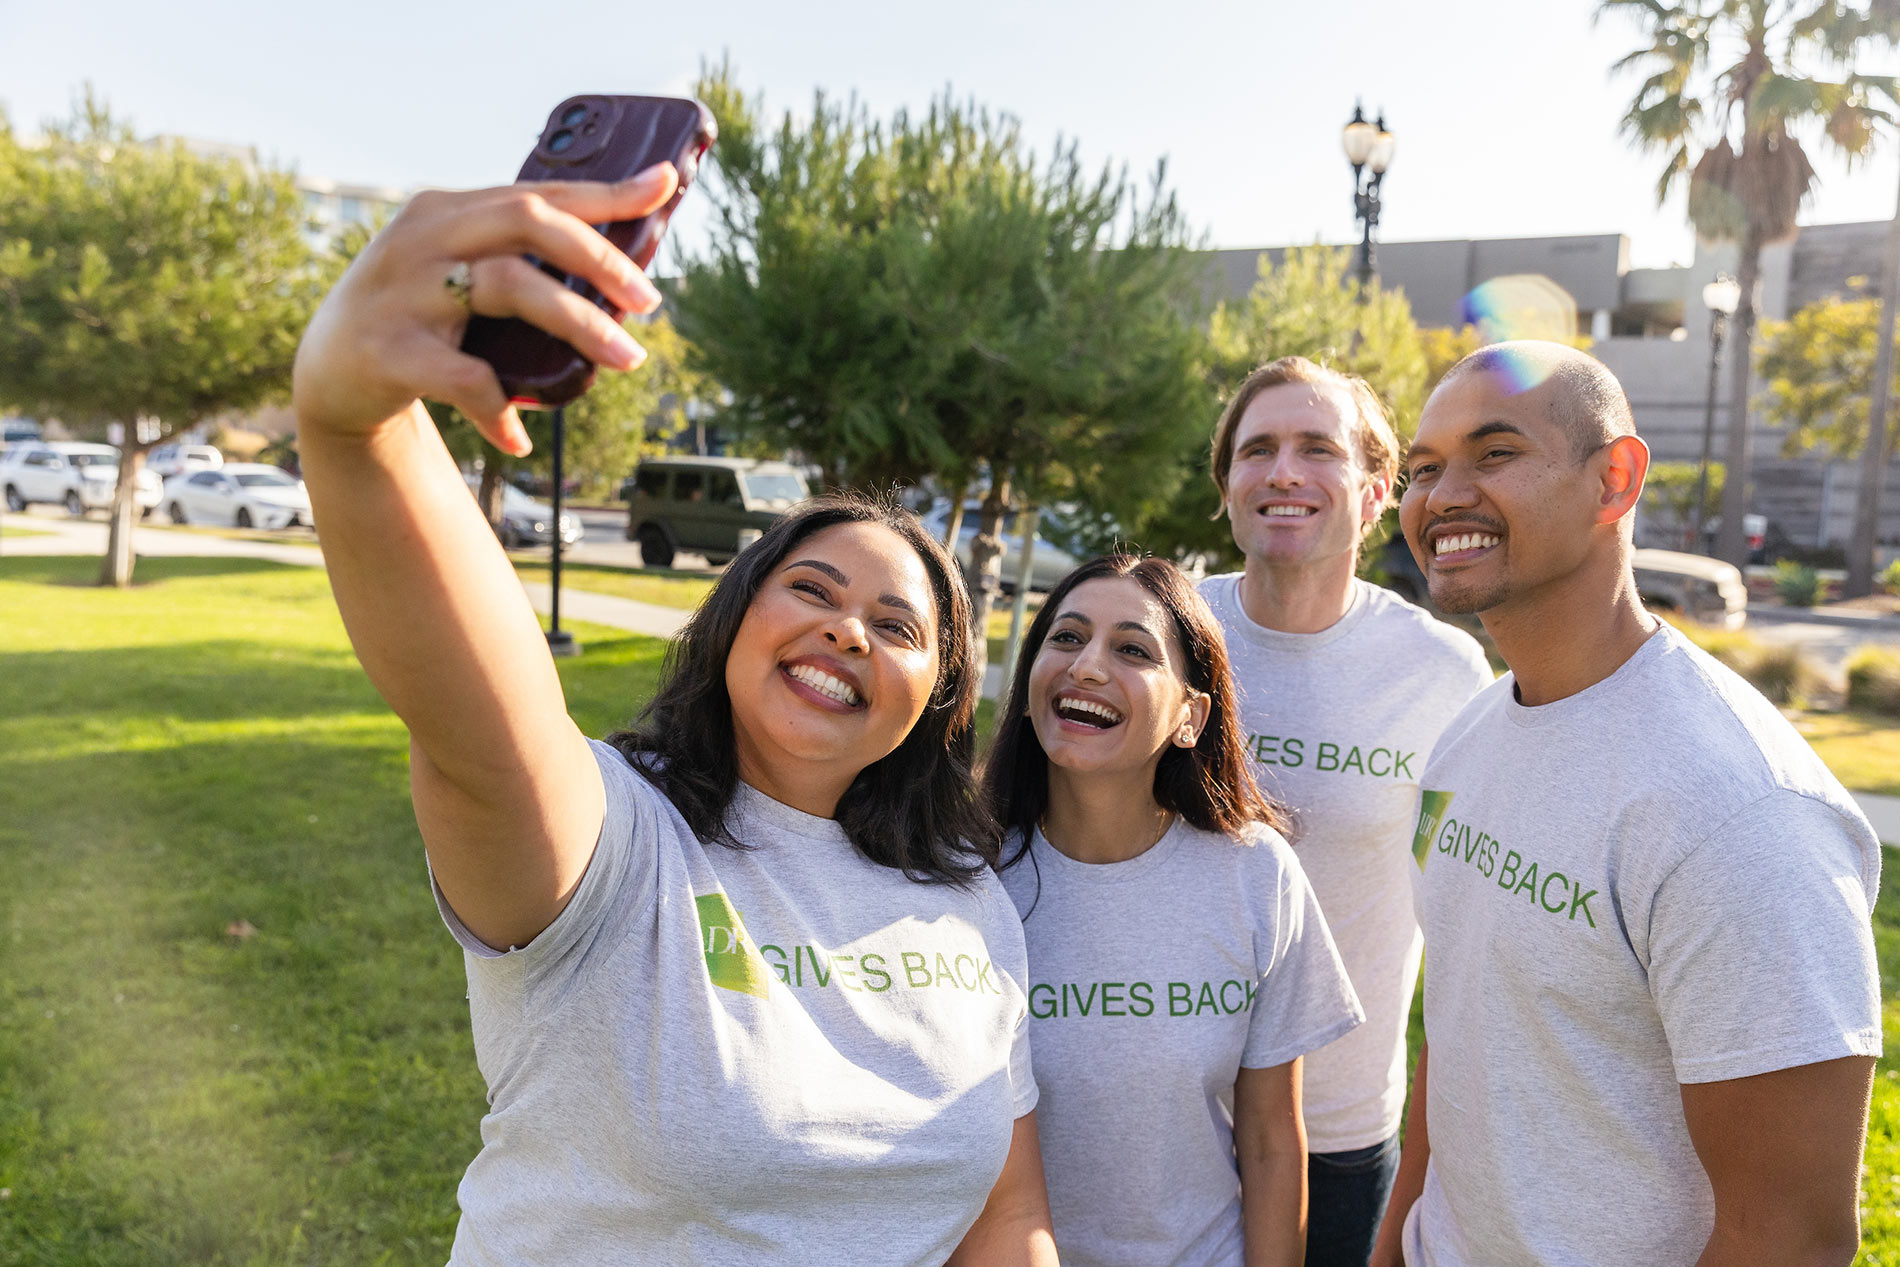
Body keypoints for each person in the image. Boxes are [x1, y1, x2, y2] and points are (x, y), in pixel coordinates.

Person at [291, 163, 1057, 1265]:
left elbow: (1009, 1212)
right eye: (811, 590)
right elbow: (480, 725)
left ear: (934, 704)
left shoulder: (968, 898)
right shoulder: (616, 842)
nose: (847, 630)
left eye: (896, 626)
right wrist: (358, 426)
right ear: (735, 619)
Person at [1371, 340, 1882, 1267]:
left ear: (1614, 478)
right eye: (1423, 468)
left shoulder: (1740, 813)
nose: (1442, 496)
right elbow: (1459, 1043)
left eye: (1494, 454)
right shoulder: (1471, 734)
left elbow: (1792, 1237)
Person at [982, 553, 1364, 1267]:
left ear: (1191, 716)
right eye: (1065, 638)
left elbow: (1272, 1140)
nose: (1088, 666)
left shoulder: (1256, 873)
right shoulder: (967, 879)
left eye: (1132, 648)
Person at [1196, 357, 1493, 1266]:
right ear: (1230, 488)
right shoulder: (1164, 635)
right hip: (1152, 1114)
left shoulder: (1443, 675)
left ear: (1373, 496)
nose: (1282, 470)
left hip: (1337, 1127)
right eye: (1258, 449)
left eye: (1316, 448)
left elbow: (1467, 926)